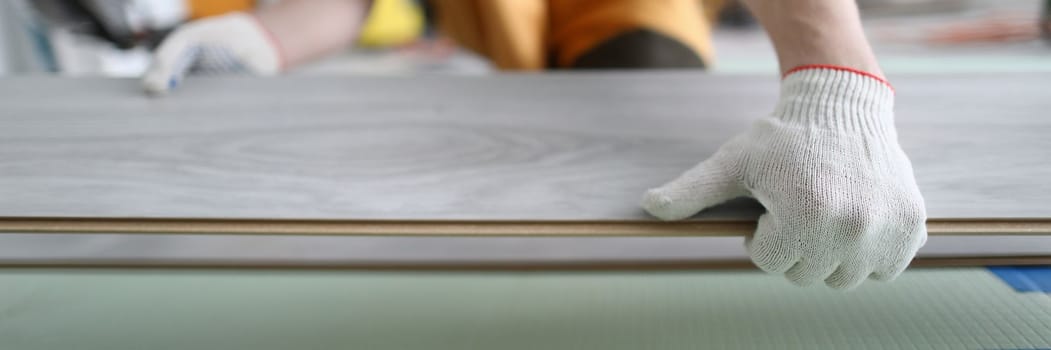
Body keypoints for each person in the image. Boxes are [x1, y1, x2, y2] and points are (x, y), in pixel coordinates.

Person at [143, 0, 927, 290]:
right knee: (542, 152)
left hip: (629, 15)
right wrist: (264, 39)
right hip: (490, 22)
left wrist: (836, 82)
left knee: (645, 99)